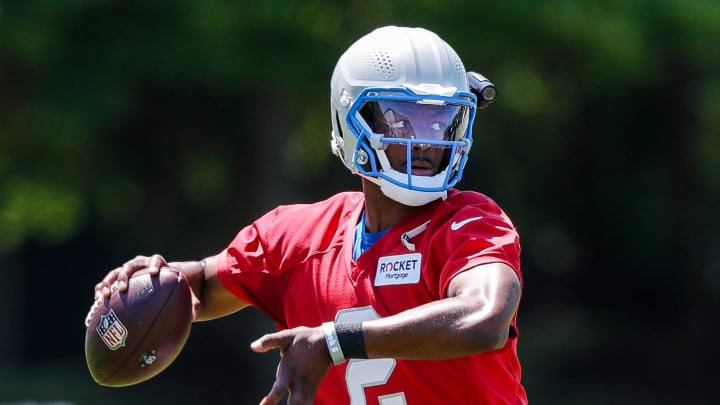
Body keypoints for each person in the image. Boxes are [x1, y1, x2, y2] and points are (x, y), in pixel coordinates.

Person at [93, 25, 527, 405]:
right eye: (404, 120)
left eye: (441, 119)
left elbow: (484, 316)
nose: (429, 140)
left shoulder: (468, 222)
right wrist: (156, 280)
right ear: (352, 120)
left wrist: (337, 343)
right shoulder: (298, 237)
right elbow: (201, 289)